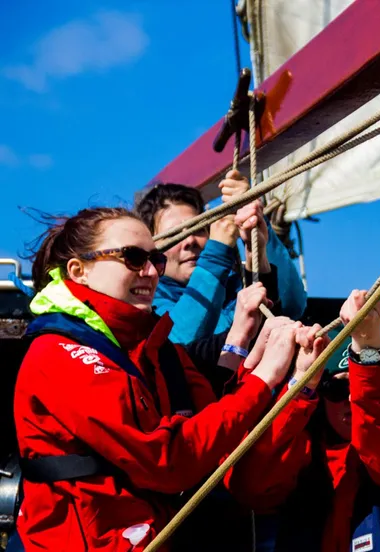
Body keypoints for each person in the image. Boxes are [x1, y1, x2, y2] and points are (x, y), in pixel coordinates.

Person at [13, 207, 312, 551]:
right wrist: (263, 378)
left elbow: (214, 426)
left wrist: (278, 369)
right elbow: (166, 461)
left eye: (155, 259)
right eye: (133, 257)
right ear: (79, 271)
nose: (151, 271)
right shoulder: (59, 355)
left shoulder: (157, 348)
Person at [225, 290, 380, 552]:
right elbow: (250, 486)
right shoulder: (302, 455)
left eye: (361, 387)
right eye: (337, 389)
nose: (353, 400)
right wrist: (301, 386)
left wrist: (368, 349)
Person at [135, 170, 307, 345]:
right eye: (173, 235)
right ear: (152, 249)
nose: (190, 241)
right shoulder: (147, 301)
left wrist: (257, 239)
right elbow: (181, 341)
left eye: (198, 229)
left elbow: (291, 307)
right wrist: (217, 252)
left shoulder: (234, 285)